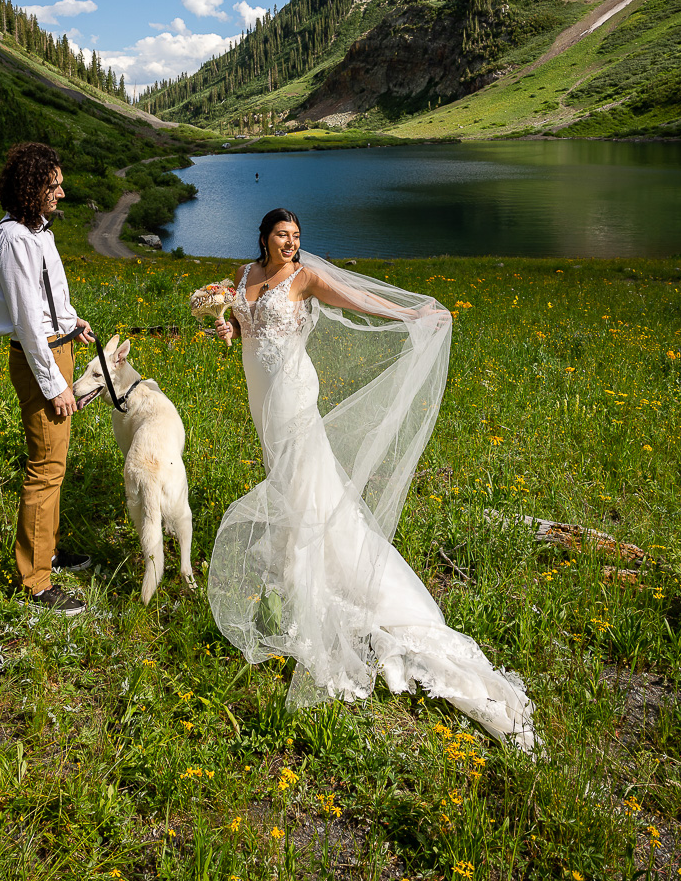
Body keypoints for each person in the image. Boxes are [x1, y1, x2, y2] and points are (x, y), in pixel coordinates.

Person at [209, 208, 535, 751]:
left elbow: (357, 300)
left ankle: (307, 581)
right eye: (281, 236)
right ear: (263, 237)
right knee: (293, 487)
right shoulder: (244, 277)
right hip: (259, 396)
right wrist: (226, 324)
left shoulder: (305, 278)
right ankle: (296, 567)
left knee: (304, 487)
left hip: (291, 396)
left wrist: (411, 314)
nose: (290, 244)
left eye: (295, 236)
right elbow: (246, 326)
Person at [0, 143, 95, 616]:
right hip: (40, 358)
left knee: (55, 463)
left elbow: (49, 300)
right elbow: (27, 321)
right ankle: (36, 581)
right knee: (45, 468)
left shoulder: (39, 233)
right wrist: (55, 385)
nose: (61, 193)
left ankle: (46, 552)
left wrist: (73, 323)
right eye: (53, 186)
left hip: (56, 347)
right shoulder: (13, 240)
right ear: (31, 187)